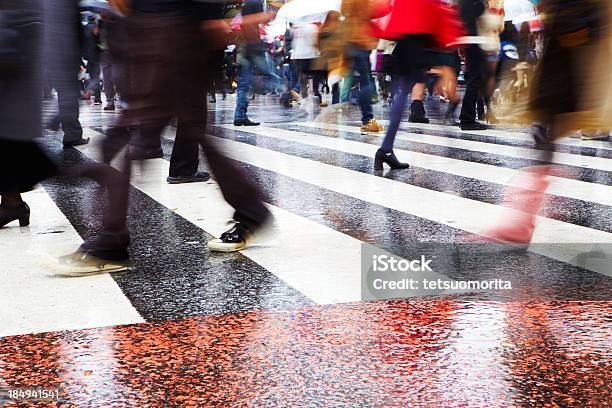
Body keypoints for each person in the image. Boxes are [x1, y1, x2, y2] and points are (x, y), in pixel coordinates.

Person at [371, 0, 464, 169]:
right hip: (421, 38)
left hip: (405, 39)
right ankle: (385, 149)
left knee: (404, 92)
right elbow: (434, 7)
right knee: (414, 89)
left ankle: (386, 149)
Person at [44, 0, 90, 147]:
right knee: (71, 94)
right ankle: (68, 131)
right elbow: (75, 27)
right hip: (66, 50)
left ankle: (66, 129)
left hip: (54, 51)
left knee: (66, 94)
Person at [341, 0, 385, 133]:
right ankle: (367, 118)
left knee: (357, 79)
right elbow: (376, 10)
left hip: (349, 43)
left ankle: (366, 116)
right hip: (361, 42)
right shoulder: (363, 4)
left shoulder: (346, 5)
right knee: (367, 81)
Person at [233, 0, 279, 126]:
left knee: (244, 85)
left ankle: (240, 116)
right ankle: (284, 92)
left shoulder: (247, 4)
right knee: (271, 75)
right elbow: (252, 23)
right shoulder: (255, 3)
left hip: (244, 48)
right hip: (251, 47)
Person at [458, 0, 488, 130]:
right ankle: (467, 118)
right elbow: (478, 12)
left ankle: (467, 117)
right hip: (474, 39)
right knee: (475, 79)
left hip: (470, 39)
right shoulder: (473, 2)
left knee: (475, 79)